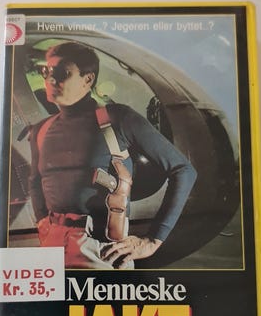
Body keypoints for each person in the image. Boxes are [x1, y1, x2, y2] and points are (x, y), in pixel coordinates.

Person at [28, 41, 197, 269]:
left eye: (62, 73)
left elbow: (184, 170)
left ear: (88, 79)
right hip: (51, 248)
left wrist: (153, 240)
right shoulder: (41, 130)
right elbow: (35, 181)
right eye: (46, 71)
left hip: (102, 252)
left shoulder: (118, 119)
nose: (50, 79)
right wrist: (42, 223)